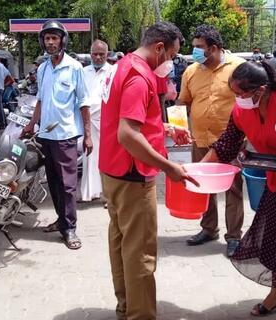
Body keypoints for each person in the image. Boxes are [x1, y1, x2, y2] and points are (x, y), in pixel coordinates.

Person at [99, 21, 197, 320]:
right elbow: (128, 134)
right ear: (158, 48)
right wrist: (170, 168)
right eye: (171, 56)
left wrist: (163, 127)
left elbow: (127, 118)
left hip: (112, 171)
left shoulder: (123, 65)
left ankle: (126, 306)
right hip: (132, 176)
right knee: (140, 253)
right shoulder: (140, 77)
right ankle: (139, 315)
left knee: (121, 243)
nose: (171, 63)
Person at [201, 60, 276, 320]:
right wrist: (195, 171)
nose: (239, 99)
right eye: (235, 94)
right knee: (272, 242)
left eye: (242, 94)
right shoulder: (241, 111)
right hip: (275, 184)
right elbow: (226, 145)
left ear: (262, 89)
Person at [21, 20, 91, 250]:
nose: (51, 42)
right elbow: (41, 100)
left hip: (66, 135)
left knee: (68, 184)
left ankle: (70, 228)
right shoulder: (42, 68)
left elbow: (83, 102)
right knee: (52, 181)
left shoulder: (74, 68)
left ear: (62, 40)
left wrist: (88, 135)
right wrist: (32, 124)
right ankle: (61, 220)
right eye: (47, 38)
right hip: (46, 136)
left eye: (55, 38)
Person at [178, 24, 245, 256]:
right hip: (200, 139)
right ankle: (209, 229)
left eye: (199, 47)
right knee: (202, 186)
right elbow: (182, 102)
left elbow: (249, 103)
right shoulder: (191, 71)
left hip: (231, 142)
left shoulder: (238, 68)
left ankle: (234, 236)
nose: (194, 51)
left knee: (233, 190)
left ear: (214, 48)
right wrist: (177, 128)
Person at [80, 39, 111, 202]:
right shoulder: (83, 72)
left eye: (102, 54)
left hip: (106, 122)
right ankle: (89, 193)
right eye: (95, 54)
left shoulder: (113, 72)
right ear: (90, 54)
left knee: (107, 159)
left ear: (107, 55)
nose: (98, 57)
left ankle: (109, 196)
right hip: (86, 121)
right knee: (88, 158)